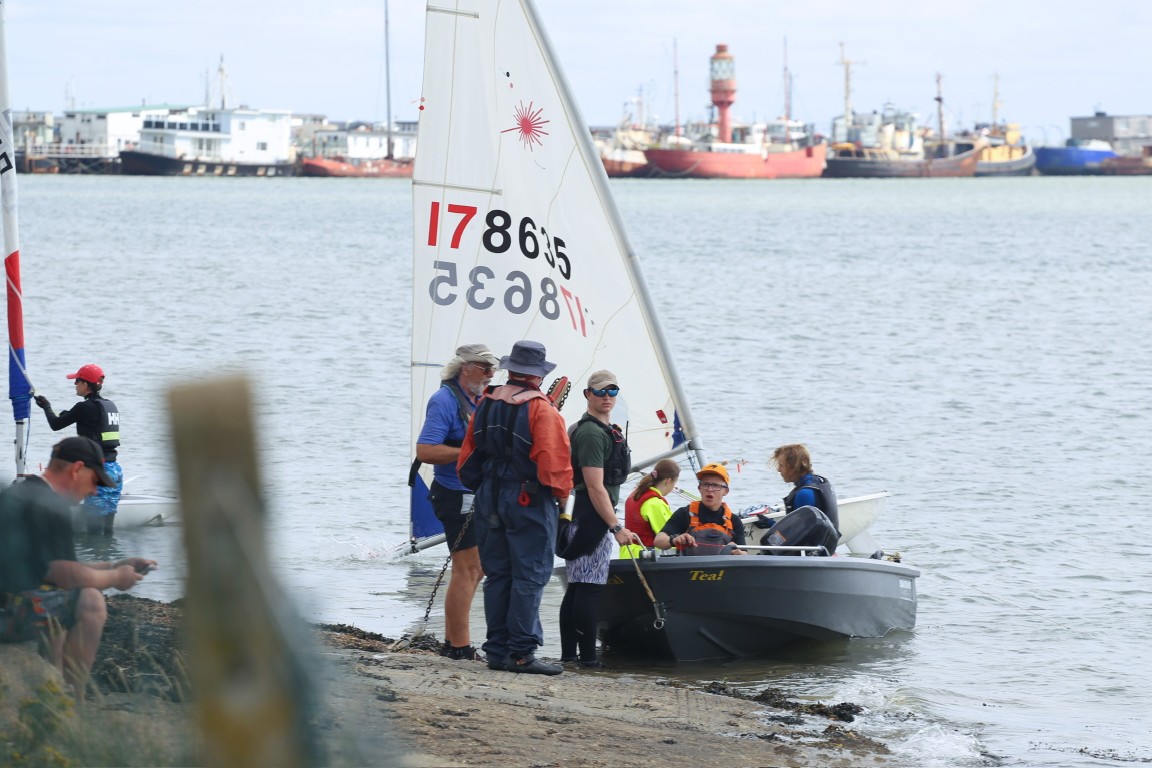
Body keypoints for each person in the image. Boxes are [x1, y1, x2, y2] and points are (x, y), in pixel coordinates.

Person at [0, 437, 156, 695]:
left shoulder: (25, 493)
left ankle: (53, 688)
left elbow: (51, 569)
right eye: (94, 481)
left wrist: (114, 565)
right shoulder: (51, 506)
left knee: (59, 596)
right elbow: (64, 574)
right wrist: (116, 578)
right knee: (89, 600)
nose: (94, 492)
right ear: (77, 469)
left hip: (8, 604)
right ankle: (72, 700)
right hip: (6, 614)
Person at [458, 340, 572, 676]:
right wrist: (562, 497)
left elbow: (467, 458)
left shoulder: (486, 402)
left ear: (511, 370)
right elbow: (554, 466)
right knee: (531, 574)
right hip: (529, 499)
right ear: (538, 375)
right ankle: (522, 654)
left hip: (490, 495)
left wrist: (484, 488)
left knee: (498, 574)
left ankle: (497, 650)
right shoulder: (542, 410)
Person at [415, 343, 499, 662]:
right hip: (454, 494)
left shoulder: (480, 398)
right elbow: (425, 451)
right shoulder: (444, 400)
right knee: (469, 569)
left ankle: (454, 641)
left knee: (477, 570)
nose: (491, 374)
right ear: (465, 367)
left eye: (493, 369)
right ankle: (459, 648)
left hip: (475, 493)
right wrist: (469, 452)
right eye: (485, 368)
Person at [557, 370, 638, 669]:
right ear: (588, 394)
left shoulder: (605, 429)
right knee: (588, 589)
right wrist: (616, 526)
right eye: (601, 391)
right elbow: (594, 486)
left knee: (578, 587)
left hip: (586, 515)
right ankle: (588, 660)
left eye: (612, 391)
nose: (607, 397)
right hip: (590, 517)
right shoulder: (590, 433)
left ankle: (569, 656)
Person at [33, 363, 123, 535]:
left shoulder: (84, 407)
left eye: (77, 381)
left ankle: (94, 551)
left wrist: (46, 407)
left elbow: (55, 424)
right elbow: (93, 423)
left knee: (93, 533)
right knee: (107, 532)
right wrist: (69, 414)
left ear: (85, 384)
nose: (75, 384)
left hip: (96, 474)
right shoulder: (110, 405)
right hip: (115, 472)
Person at [653, 463, 747, 555]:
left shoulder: (734, 521)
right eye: (705, 484)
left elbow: (744, 553)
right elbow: (658, 540)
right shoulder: (684, 513)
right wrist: (674, 540)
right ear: (699, 488)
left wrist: (739, 554)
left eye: (716, 485)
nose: (710, 489)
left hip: (724, 565)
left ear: (726, 491)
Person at [619, 459, 681, 559]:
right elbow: (667, 534)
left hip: (627, 554)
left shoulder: (636, 494)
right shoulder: (654, 503)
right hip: (644, 557)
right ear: (668, 481)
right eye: (675, 483)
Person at [771, 444, 839, 532]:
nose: (778, 470)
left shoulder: (804, 494)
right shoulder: (819, 482)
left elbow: (797, 532)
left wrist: (771, 524)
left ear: (794, 467)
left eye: (781, 465)